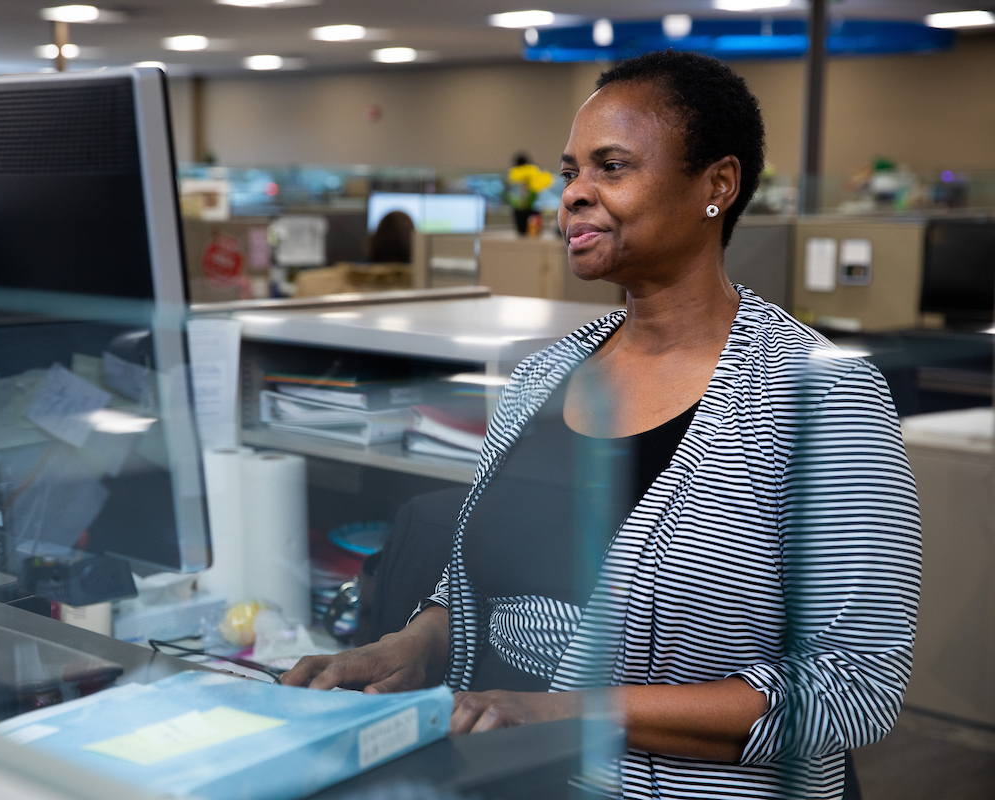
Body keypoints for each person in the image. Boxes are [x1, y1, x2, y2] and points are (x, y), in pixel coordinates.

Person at [282, 51, 921, 799]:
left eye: (611, 167)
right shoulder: (540, 377)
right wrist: (414, 644)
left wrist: (568, 714)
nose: (575, 195)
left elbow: (854, 686)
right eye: (569, 173)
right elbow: (478, 581)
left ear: (718, 184)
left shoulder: (818, 395)